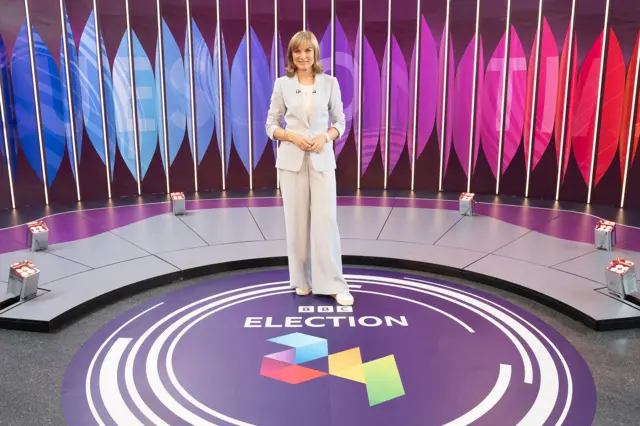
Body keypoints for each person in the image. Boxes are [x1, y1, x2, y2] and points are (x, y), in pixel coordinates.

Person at [265, 31, 353, 306]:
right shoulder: (282, 84)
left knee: (326, 221)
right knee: (297, 222)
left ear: (315, 54)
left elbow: (340, 123)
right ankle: (302, 280)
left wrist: (324, 137)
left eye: (308, 51)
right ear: (291, 55)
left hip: (322, 160)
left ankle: (333, 283)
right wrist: (291, 136)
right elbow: (271, 125)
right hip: (291, 162)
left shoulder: (330, 83)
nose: (302, 57)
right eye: (297, 52)